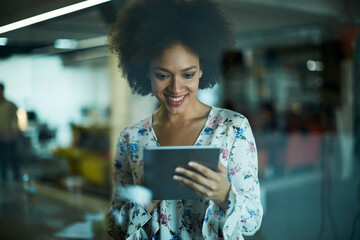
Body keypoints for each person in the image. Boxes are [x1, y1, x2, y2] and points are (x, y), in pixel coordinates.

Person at [107, 0, 263, 239]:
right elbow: (115, 228)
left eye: (188, 74)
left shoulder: (233, 128)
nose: (176, 88)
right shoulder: (132, 138)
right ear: (145, 72)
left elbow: (252, 223)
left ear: (203, 69)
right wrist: (146, 199)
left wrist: (224, 193)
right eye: (162, 75)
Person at [0, 82, 20, 184]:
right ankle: (4, 179)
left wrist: (15, 132)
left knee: (13, 158)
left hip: (9, 135)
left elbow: (15, 120)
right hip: (0, 137)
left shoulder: (9, 105)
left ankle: (16, 177)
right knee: (2, 160)